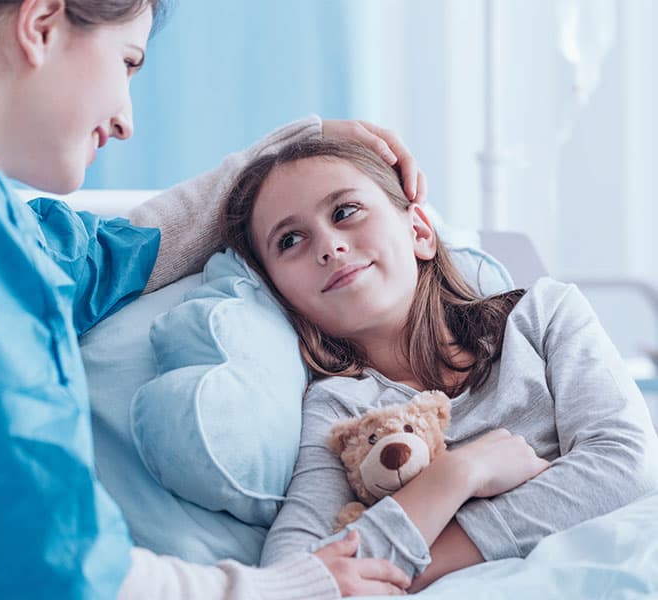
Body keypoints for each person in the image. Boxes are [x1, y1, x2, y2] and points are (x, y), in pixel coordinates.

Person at [0, 1, 424, 598]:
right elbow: (54, 568)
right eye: (127, 62)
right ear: (42, 22)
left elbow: (104, 257)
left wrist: (293, 151)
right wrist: (286, 588)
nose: (126, 121)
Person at [223, 138, 658, 592]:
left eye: (346, 212)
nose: (329, 247)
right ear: (280, 295)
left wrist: (423, 564)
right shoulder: (336, 411)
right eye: (290, 240)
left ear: (420, 232)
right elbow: (294, 578)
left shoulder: (545, 317)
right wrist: (459, 473)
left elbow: (628, 467)